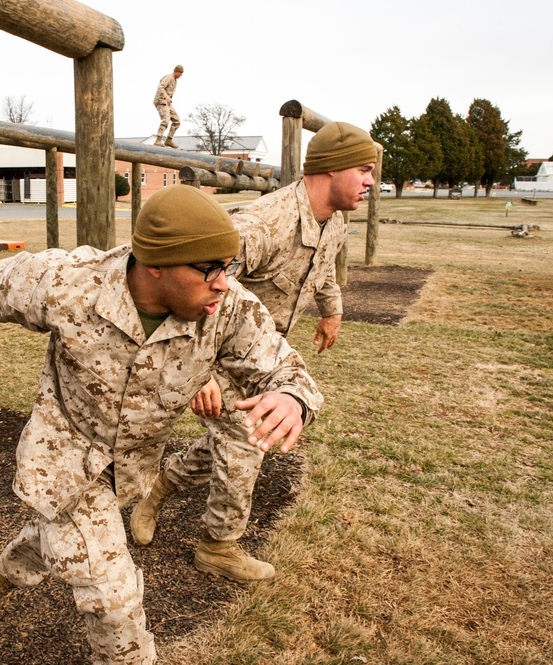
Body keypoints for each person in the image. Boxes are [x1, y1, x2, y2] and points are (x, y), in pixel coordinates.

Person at [0, 185, 323, 664]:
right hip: (62, 457)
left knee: (56, 550)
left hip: (128, 465)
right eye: (209, 269)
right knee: (112, 599)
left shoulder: (227, 309)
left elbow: (283, 366)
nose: (223, 282)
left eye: (227, 267)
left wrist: (292, 397)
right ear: (156, 266)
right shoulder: (69, 283)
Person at [130, 121, 378, 583]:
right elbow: (197, 281)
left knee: (229, 445)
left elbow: (322, 271)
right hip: (215, 354)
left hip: (261, 357)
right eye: (363, 169)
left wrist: (332, 311)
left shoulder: (334, 221)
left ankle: (162, 485)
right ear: (330, 168)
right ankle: (218, 546)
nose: (370, 181)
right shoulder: (264, 224)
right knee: (247, 442)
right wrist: (197, 372)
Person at [152, 65, 183, 148]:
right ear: (176, 72)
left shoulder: (175, 80)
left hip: (167, 103)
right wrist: (166, 96)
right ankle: (158, 139)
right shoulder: (168, 77)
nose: (181, 75)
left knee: (177, 121)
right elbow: (160, 87)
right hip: (161, 101)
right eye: (180, 73)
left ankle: (169, 140)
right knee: (166, 119)